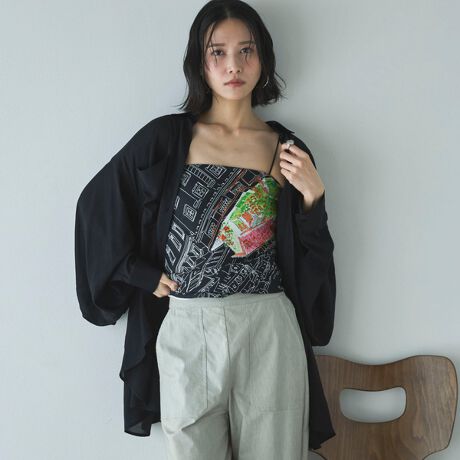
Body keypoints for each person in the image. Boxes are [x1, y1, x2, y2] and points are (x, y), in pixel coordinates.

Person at [74, 0, 336, 458]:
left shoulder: (285, 149)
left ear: (263, 59)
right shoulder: (166, 139)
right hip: (188, 327)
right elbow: (97, 206)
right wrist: (138, 272)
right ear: (200, 61)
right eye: (218, 52)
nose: (233, 65)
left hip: (268, 328)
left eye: (246, 51)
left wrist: (313, 199)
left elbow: (308, 253)